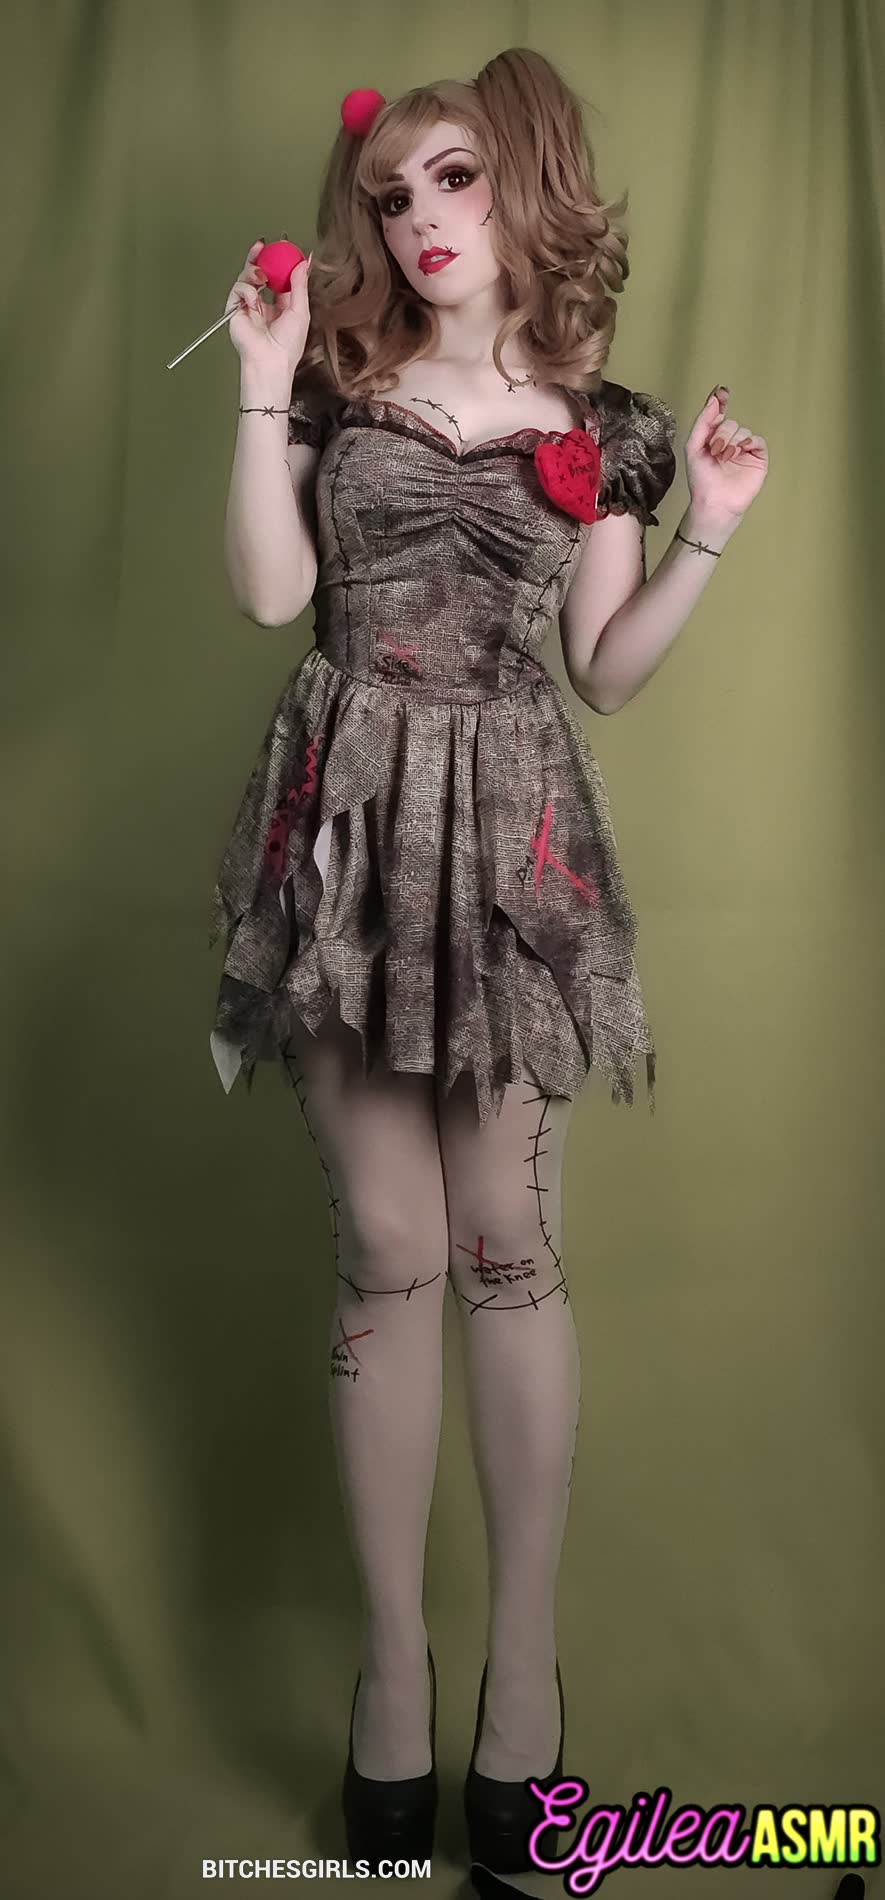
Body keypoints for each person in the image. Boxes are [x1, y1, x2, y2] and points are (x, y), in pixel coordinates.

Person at [207, 45, 767, 1888]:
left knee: (504, 1238)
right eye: (393, 196)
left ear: (522, 185)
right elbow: (269, 595)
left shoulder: (607, 424)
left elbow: (600, 669)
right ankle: (394, 1675)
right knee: (385, 1244)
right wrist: (265, 383)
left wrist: (706, 533)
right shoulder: (336, 379)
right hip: (349, 825)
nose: (420, 220)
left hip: (511, 835)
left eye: (452, 180)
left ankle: (521, 1684)